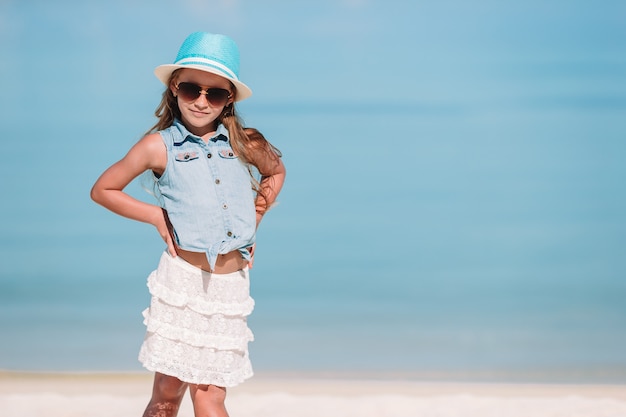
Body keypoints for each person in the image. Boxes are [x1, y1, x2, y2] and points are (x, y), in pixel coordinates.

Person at [91, 31, 286, 417]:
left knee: (210, 394)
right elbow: (104, 189)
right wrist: (154, 215)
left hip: (230, 289)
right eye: (191, 89)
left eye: (214, 94)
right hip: (182, 282)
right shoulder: (158, 147)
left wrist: (253, 218)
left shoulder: (245, 142)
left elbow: (275, 172)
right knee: (167, 393)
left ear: (228, 99)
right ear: (174, 89)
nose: (201, 101)